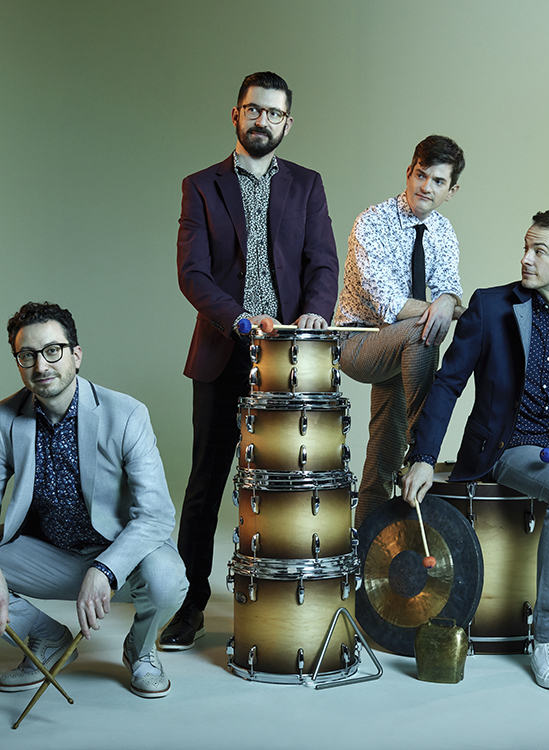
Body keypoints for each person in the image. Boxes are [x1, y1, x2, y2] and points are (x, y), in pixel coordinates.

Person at [160, 71, 338, 650]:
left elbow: (322, 264)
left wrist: (313, 314)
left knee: (285, 483)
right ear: (236, 115)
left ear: (288, 123)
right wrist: (240, 320)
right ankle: (188, 606)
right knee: (207, 482)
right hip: (223, 349)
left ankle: (278, 602)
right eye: (253, 110)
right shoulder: (201, 185)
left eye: (274, 114)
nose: (263, 120)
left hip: (289, 355)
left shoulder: (308, 186)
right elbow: (193, 275)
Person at [403, 209, 549, 690]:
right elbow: (449, 384)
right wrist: (424, 456)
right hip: (511, 444)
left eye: (539, 251)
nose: (525, 259)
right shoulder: (491, 307)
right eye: (526, 247)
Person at [0, 302, 188, 698]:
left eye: (53, 351)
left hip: (120, 553)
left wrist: (105, 568)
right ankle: (47, 639)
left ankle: (139, 652)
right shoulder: (5, 418)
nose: (41, 366)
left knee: (168, 581)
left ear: (76, 354)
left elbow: (155, 515)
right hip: (46, 553)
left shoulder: (126, 414)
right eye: (27, 355)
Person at [334, 135, 466, 526]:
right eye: (421, 175)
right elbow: (391, 307)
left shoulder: (443, 232)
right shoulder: (372, 222)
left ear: (451, 190)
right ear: (409, 172)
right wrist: (445, 306)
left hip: (405, 354)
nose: (426, 187)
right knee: (421, 329)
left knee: (381, 460)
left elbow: (451, 290)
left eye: (438, 181)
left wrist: (450, 302)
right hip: (358, 342)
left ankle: (363, 561)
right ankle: (422, 443)